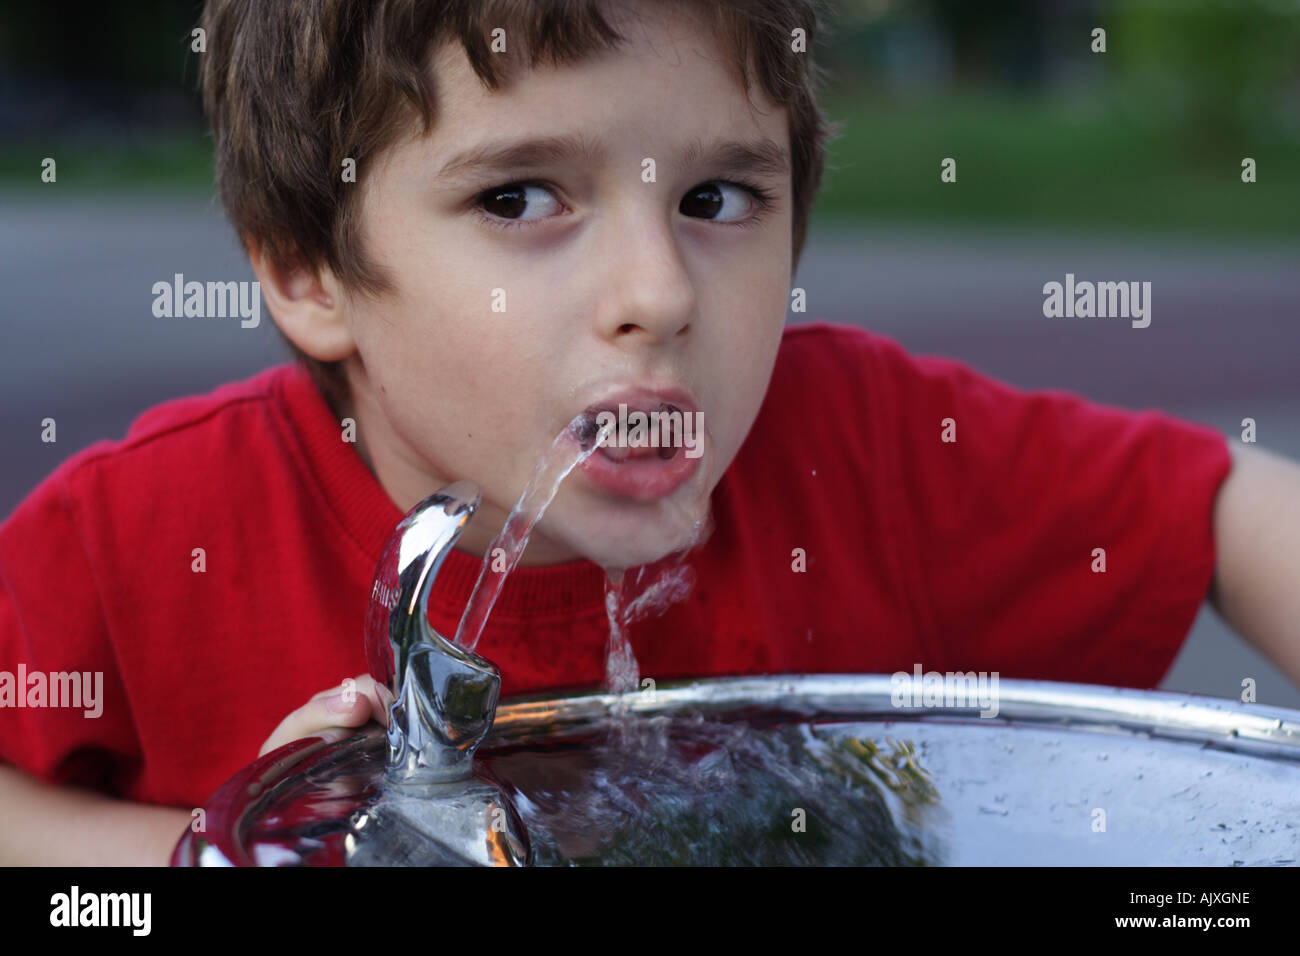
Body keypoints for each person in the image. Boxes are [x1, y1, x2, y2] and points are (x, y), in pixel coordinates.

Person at [2, 0, 1298, 865]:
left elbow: (1233, 510)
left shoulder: (867, 445)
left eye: (717, 196)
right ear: (307, 273)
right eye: (522, 197)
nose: (661, 296)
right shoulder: (148, 533)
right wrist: (199, 850)